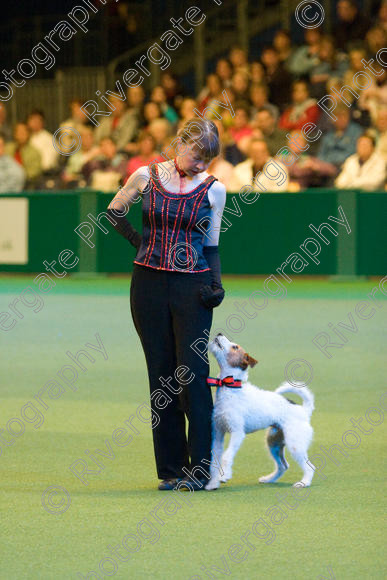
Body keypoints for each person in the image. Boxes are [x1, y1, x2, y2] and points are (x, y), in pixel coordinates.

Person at [106, 118, 227, 491]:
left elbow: (211, 243)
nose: (202, 164)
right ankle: (172, 470)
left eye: (208, 158)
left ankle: (202, 469)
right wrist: (139, 243)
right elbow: (113, 212)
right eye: (197, 154)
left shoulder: (215, 190)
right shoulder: (145, 175)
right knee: (160, 374)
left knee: (190, 373)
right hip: (147, 285)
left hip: (192, 286)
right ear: (181, 143)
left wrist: (216, 283)